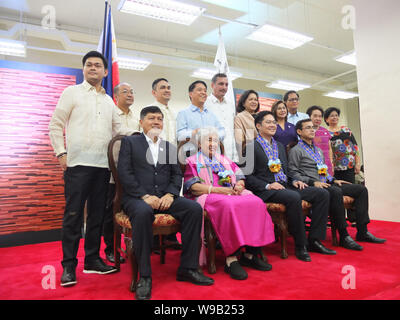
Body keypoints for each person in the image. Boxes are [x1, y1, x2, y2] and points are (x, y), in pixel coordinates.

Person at [118, 106, 214, 300]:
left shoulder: (169, 146)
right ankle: (144, 276)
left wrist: (170, 194)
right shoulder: (130, 142)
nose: (156, 122)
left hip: (165, 197)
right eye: (151, 118)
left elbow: (176, 175)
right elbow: (124, 173)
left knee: (194, 209)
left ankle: (188, 268)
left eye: (159, 119)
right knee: (144, 212)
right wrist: (143, 196)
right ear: (141, 121)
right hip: (137, 198)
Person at [49, 51, 120, 287]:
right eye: (88, 65)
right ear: (83, 69)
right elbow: (56, 124)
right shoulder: (71, 93)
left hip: (103, 166)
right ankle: (68, 266)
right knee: (73, 215)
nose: (93, 68)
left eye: (97, 65)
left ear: (105, 72)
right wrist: (61, 153)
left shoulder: (110, 101)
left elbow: (119, 132)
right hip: (77, 165)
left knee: (98, 216)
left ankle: (92, 260)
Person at [183, 127, 275, 280]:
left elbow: (240, 177)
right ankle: (231, 258)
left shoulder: (225, 160)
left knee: (256, 202)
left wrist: (239, 185)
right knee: (229, 206)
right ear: (199, 143)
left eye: (216, 140)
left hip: (231, 193)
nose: (213, 144)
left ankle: (250, 253)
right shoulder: (192, 161)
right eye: (209, 140)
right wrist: (219, 191)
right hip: (208, 195)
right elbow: (193, 187)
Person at [244, 111, 335, 262]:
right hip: (266, 190)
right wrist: (267, 185)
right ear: (258, 126)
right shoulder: (250, 147)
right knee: (293, 197)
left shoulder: (279, 146)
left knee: (322, 194)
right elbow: (247, 177)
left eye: (274, 122)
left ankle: (315, 240)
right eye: (268, 122)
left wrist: (294, 180)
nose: (273, 125)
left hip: (285, 185)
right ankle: (301, 246)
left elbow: (287, 171)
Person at [288, 119, 386, 251]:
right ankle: (344, 236)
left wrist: (333, 180)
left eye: (313, 127)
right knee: (335, 192)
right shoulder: (296, 150)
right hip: (312, 185)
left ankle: (362, 231)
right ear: (299, 131)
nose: (312, 130)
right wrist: (312, 182)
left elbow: (323, 170)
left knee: (361, 190)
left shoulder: (318, 150)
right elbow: (293, 173)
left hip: (326, 183)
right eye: (308, 128)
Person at [103, 82, 139, 264]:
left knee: (129, 209)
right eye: (125, 91)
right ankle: (110, 248)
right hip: (113, 171)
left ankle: (132, 245)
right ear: (116, 96)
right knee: (111, 211)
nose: (130, 94)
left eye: (132, 91)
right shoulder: (110, 114)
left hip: (132, 172)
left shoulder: (136, 118)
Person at [176, 80, 225, 146]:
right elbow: (180, 136)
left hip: (210, 153)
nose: (203, 93)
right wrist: (195, 132)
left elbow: (222, 131)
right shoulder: (183, 113)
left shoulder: (211, 115)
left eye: (205, 91)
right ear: (191, 94)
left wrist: (212, 136)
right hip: (191, 153)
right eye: (199, 90)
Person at [324, 107, 361, 184]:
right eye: (332, 116)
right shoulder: (326, 133)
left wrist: (357, 163)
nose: (335, 117)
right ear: (326, 119)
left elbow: (355, 147)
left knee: (352, 189)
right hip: (336, 168)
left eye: (336, 115)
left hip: (350, 165)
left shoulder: (346, 129)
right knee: (340, 190)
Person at [205, 73, 237, 160]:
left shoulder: (231, 105)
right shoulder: (205, 103)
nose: (224, 87)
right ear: (212, 85)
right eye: (221, 84)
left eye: (226, 85)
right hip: (212, 151)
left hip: (231, 151)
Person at [306, 105, 334, 176]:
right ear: (309, 117)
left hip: (327, 166)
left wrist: (331, 162)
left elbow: (329, 148)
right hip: (313, 167)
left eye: (320, 116)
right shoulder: (306, 132)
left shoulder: (325, 131)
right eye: (315, 116)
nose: (318, 118)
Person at [148, 78, 176, 144]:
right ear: (154, 92)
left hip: (173, 151)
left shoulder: (173, 112)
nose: (167, 90)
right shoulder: (149, 110)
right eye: (163, 88)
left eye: (168, 88)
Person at [233, 89, 260, 156]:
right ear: (243, 103)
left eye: (255, 100)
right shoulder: (239, 117)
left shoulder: (261, 116)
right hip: (250, 153)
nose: (254, 102)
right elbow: (239, 140)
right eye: (250, 99)